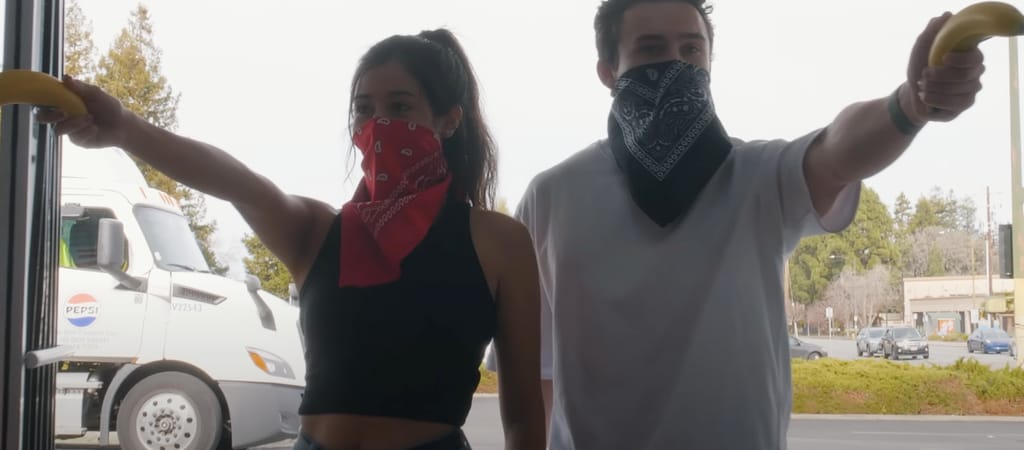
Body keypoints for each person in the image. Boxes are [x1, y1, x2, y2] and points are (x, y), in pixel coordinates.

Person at [486, 1, 986, 449]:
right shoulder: (552, 197)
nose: (676, 64)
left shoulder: (760, 177)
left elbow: (836, 151)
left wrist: (910, 105)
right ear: (607, 71)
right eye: (651, 49)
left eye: (691, 49)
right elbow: (536, 376)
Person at [43, 28, 546, 450]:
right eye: (364, 109)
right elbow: (236, 181)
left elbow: (525, 416)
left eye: (400, 106)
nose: (378, 124)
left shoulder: (499, 242)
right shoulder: (318, 231)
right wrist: (125, 128)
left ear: (449, 120)